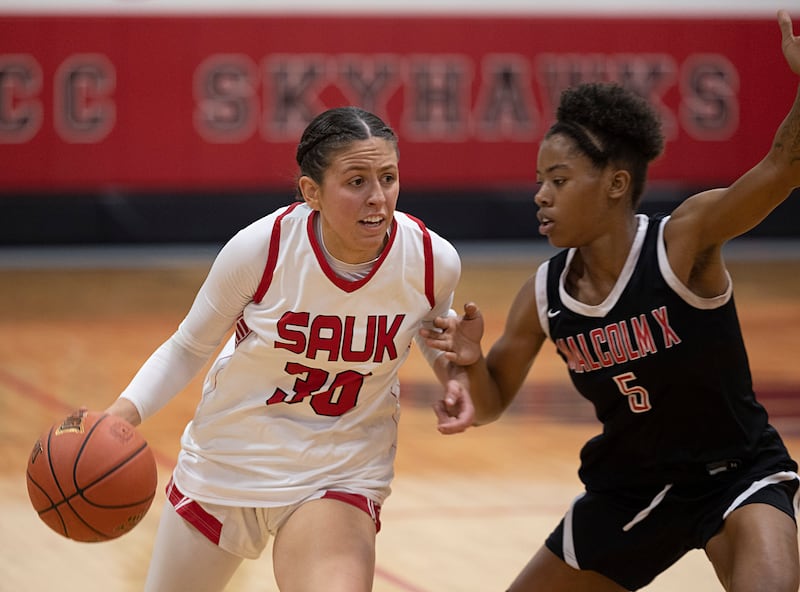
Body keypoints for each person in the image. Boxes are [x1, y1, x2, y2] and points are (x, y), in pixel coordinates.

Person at [422, 10, 800, 592]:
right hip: (629, 488)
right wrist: (469, 365)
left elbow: (784, 167)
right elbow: (491, 403)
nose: (540, 195)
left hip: (736, 473)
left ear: (616, 185)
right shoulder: (544, 295)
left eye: (559, 179)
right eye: (539, 181)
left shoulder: (683, 242)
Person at [103, 106, 475, 592]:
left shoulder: (431, 260)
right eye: (356, 181)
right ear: (311, 192)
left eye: (388, 177)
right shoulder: (263, 248)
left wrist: (458, 374)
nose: (378, 198)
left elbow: (432, 335)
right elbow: (189, 346)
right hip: (231, 459)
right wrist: (118, 417)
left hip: (340, 466)